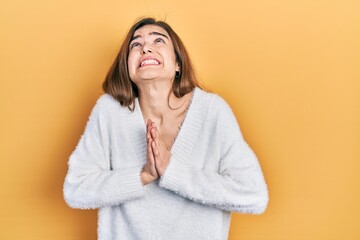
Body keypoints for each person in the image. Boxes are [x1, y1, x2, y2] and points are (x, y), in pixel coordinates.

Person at [63, 17, 269, 240]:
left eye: (158, 41)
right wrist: (142, 176)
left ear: (177, 63)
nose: (146, 48)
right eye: (136, 44)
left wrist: (173, 171)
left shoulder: (212, 111)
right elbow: (75, 189)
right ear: (128, 67)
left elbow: (254, 195)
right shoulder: (109, 112)